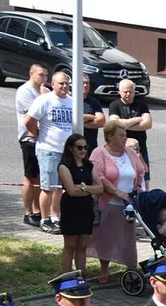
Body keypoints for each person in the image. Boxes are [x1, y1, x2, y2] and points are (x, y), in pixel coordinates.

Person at [88, 120, 145, 284]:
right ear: (110, 136)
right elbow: (98, 176)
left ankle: (130, 268)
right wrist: (115, 191)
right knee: (104, 237)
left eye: (125, 135)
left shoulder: (129, 152)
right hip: (108, 202)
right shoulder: (99, 153)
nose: (125, 138)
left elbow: (140, 170)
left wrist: (137, 187)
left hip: (128, 203)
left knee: (127, 238)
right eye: (121, 135)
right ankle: (104, 269)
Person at [24, 71, 74, 234]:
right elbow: (29, 121)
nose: (64, 86)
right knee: (48, 187)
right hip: (48, 150)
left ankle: (55, 218)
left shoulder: (71, 101)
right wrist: (38, 134)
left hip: (65, 152)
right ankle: (45, 219)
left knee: (59, 187)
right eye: (61, 83)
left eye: (67, 83)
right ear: (53, 84)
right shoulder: (45, 100)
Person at [57, 134, 104, 274]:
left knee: (82, 245)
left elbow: (100, 188)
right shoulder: (64, 167)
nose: (83, 150)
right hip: (71, 208)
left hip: (86, 208)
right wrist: (89, 190)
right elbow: (71, 191)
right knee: (70, 245)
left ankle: (80, 275)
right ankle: (66, 276)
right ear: (71, 148)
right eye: (79, 147)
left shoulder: (89, 165)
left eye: (85, 147)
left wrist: (84, 188)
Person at [15, 64, 48, 226]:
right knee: (30, 175)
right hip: (29, 139)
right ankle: (28, 212)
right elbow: (36, 115)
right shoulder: (25, 91)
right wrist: (43, 97)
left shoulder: (44, 92)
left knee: (39, 177)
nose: (44, 79)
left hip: (43, 141)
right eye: (41, 75)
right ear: (31, 74)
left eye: (46, 76)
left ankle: (38, 211)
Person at [108, 79, 152, 180]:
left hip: (140, 148)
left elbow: (148, 124)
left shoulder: (142, 105)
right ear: (119, 91)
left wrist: (125, 124)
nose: (128, 94)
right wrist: (137, 119)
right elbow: (115, 124)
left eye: (130, 91)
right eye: (125, 92)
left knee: (144, 178)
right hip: (120, 150)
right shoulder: (114, 105)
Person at [81, 75, 105, 152]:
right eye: (82, 83)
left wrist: (80, 123)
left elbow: (101, 122)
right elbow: (70, 119)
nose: (85, 85)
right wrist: (91, 117)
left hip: (91, 147)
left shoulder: (94, 101)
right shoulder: (70, 100)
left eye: (87, 83)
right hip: (74, 147)